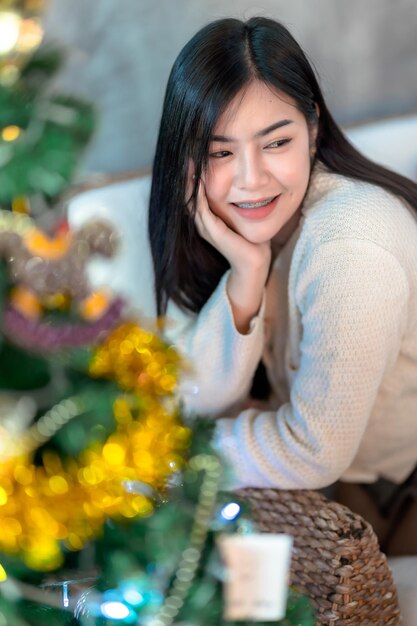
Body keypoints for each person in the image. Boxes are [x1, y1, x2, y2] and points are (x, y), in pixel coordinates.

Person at [148, 16, 417, 554]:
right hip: (339, 490)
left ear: (312, 128)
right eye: (220, 152)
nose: (251, 179)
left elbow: (315, 448)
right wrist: (245, 274)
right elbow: (196, 395)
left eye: (275, 143)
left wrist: (172, 458)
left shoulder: (351, 242)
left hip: (394, 494)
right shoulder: (250, 234)